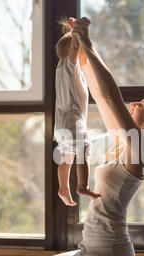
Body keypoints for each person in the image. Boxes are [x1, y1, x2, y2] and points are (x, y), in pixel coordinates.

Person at [13, 17, 144, 256]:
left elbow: (112, 98)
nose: (134, 103)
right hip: (90, 248)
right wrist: (82, 44)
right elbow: (100, 96)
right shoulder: (121, 143)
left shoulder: (141, 152)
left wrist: (87, 44)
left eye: (141, 106)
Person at [53, 17, 100, 206]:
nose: (87, 55)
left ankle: (63, 186)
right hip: (72, 121)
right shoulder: (71, 67)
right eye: (84, 50)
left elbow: (72, 50)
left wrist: (74, 32)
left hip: (61, 124)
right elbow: (74, 50)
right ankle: (83, 185)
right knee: (83, 149)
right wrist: (79, 32)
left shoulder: (61, 69)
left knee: (66, 157)